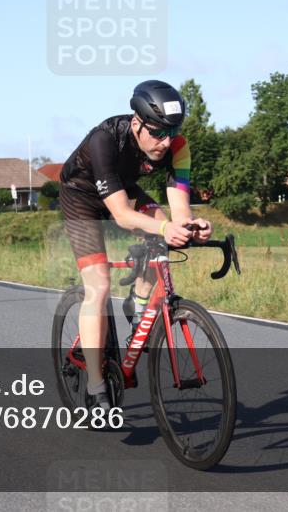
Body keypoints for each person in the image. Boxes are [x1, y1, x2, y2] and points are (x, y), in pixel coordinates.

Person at [59, 80, 212, 412]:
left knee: (164, 235)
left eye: (172, 132)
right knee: (98, 286)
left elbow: (179, 208)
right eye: (158, 133)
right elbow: (122, 215)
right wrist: (163, 226)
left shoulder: (177, 146)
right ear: (136, 123)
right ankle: (97, 389)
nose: (166, 141)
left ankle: (139, 303)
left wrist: (192, 227)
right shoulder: (105, 140)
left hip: (123, 189)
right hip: (82, 198)